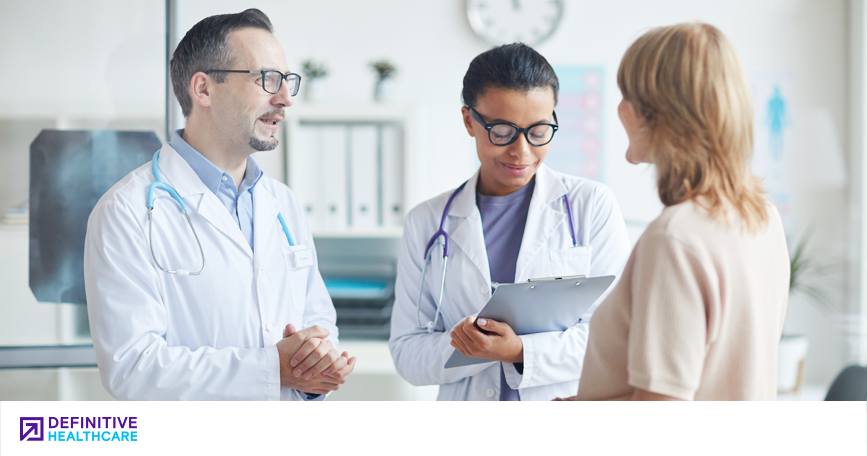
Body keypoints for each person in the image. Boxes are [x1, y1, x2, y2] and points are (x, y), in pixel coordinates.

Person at [83, 9, 355, 400]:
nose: (285, 98)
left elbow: (317, 318)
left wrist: (318, 364)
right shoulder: (125, 212)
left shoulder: (282, 203)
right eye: (267, 80)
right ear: (204, 89)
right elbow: (133, 369)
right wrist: (270, 369)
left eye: (286, 80)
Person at [389, 43, 632, 401]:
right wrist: (478, 348)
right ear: (469, 120)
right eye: (502, 131)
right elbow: (407, 353)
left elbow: (615, 338)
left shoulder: (590, 205)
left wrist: (519, 351)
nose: (522, 152)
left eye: (538, 131)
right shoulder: (426, 223)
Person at [567, 23, 789, 401]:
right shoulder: (762, 217)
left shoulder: (675, 238)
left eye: (628, 96)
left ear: (660, 114)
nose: (620, 108)